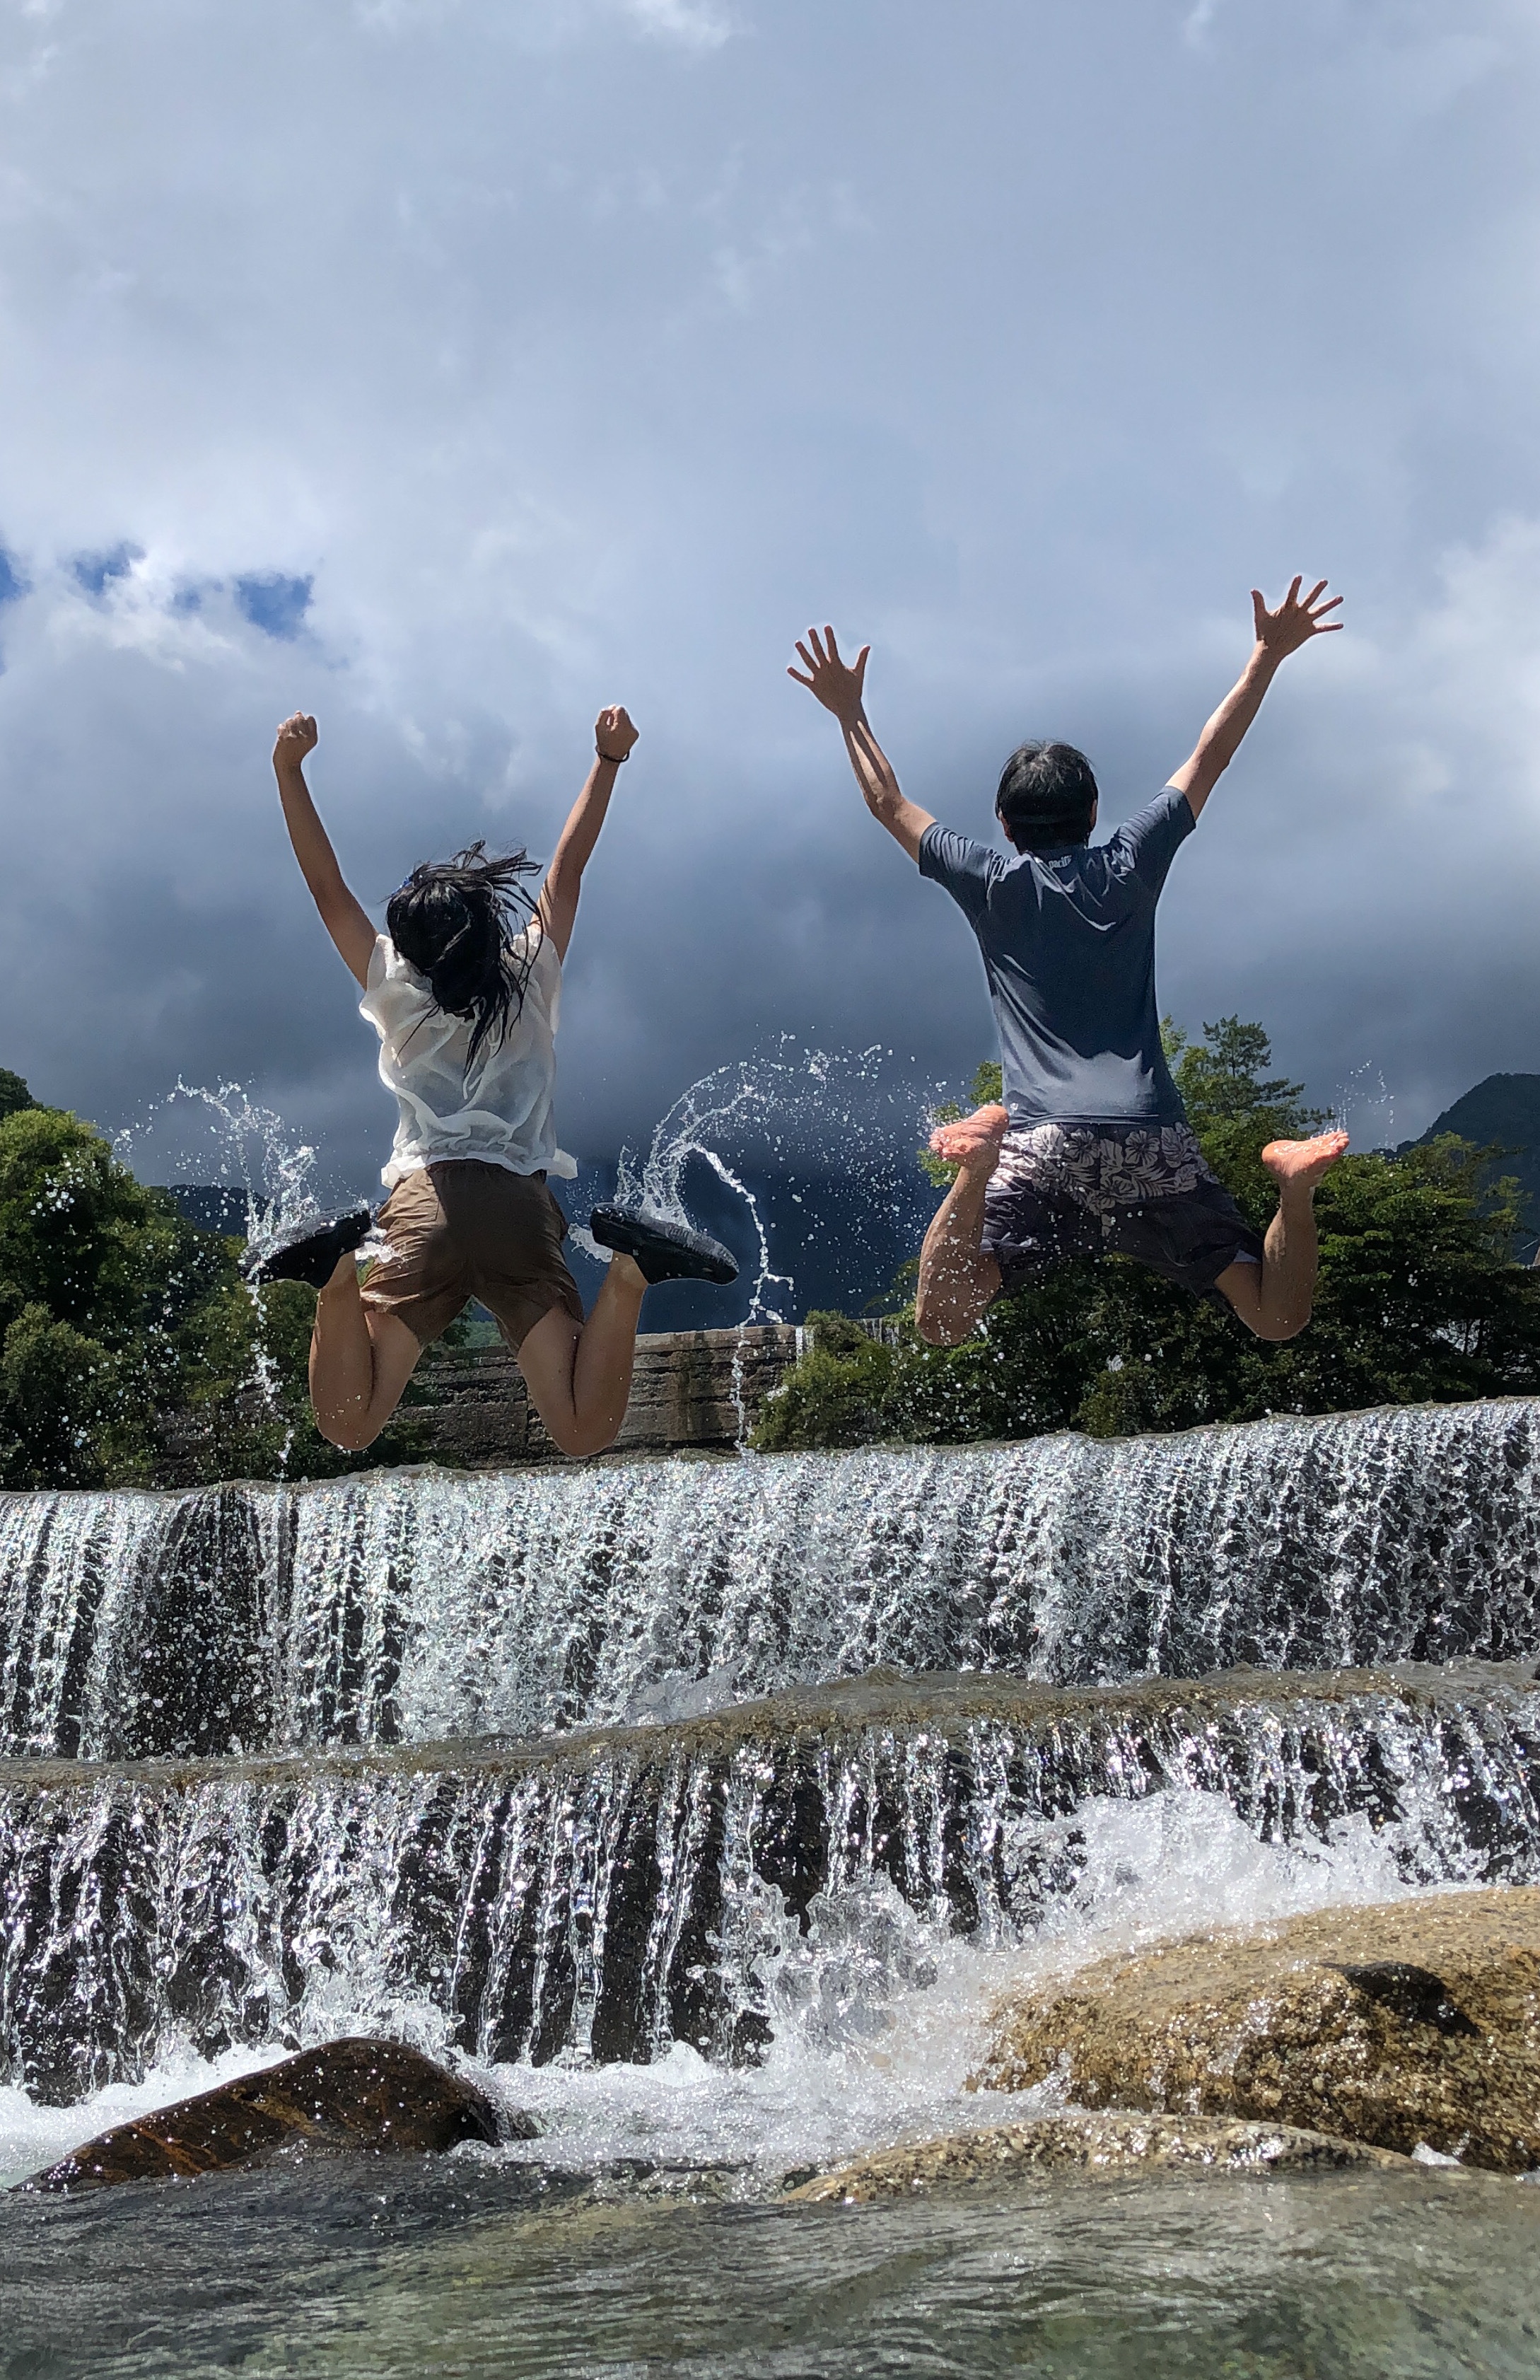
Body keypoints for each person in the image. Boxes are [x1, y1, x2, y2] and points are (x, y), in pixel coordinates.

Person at [789, 579, 1348, 1347]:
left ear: (1003, 823)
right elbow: (1209, 754)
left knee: (944, 1322)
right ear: (1093, 813)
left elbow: (888, 802)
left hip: (1042, 1141)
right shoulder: (1131, 861)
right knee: (1276, 1318)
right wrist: (1266, 655)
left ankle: (977, 1169)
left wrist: (848, 710)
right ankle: (1293, 1186)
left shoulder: (989, 879)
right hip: (1151, 1141)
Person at [249, 705, 736, 1456]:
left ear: (405, 944)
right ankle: (634, 1271)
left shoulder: (394, 986)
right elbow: (568, 869)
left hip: (423, 1207)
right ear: (485, 922)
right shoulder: (529, 971)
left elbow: (324, 886)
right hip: (518, 1207)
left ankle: (334, 1273)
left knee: (348, 1424)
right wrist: (608, 761)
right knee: (580, 1430)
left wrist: (288, 770)